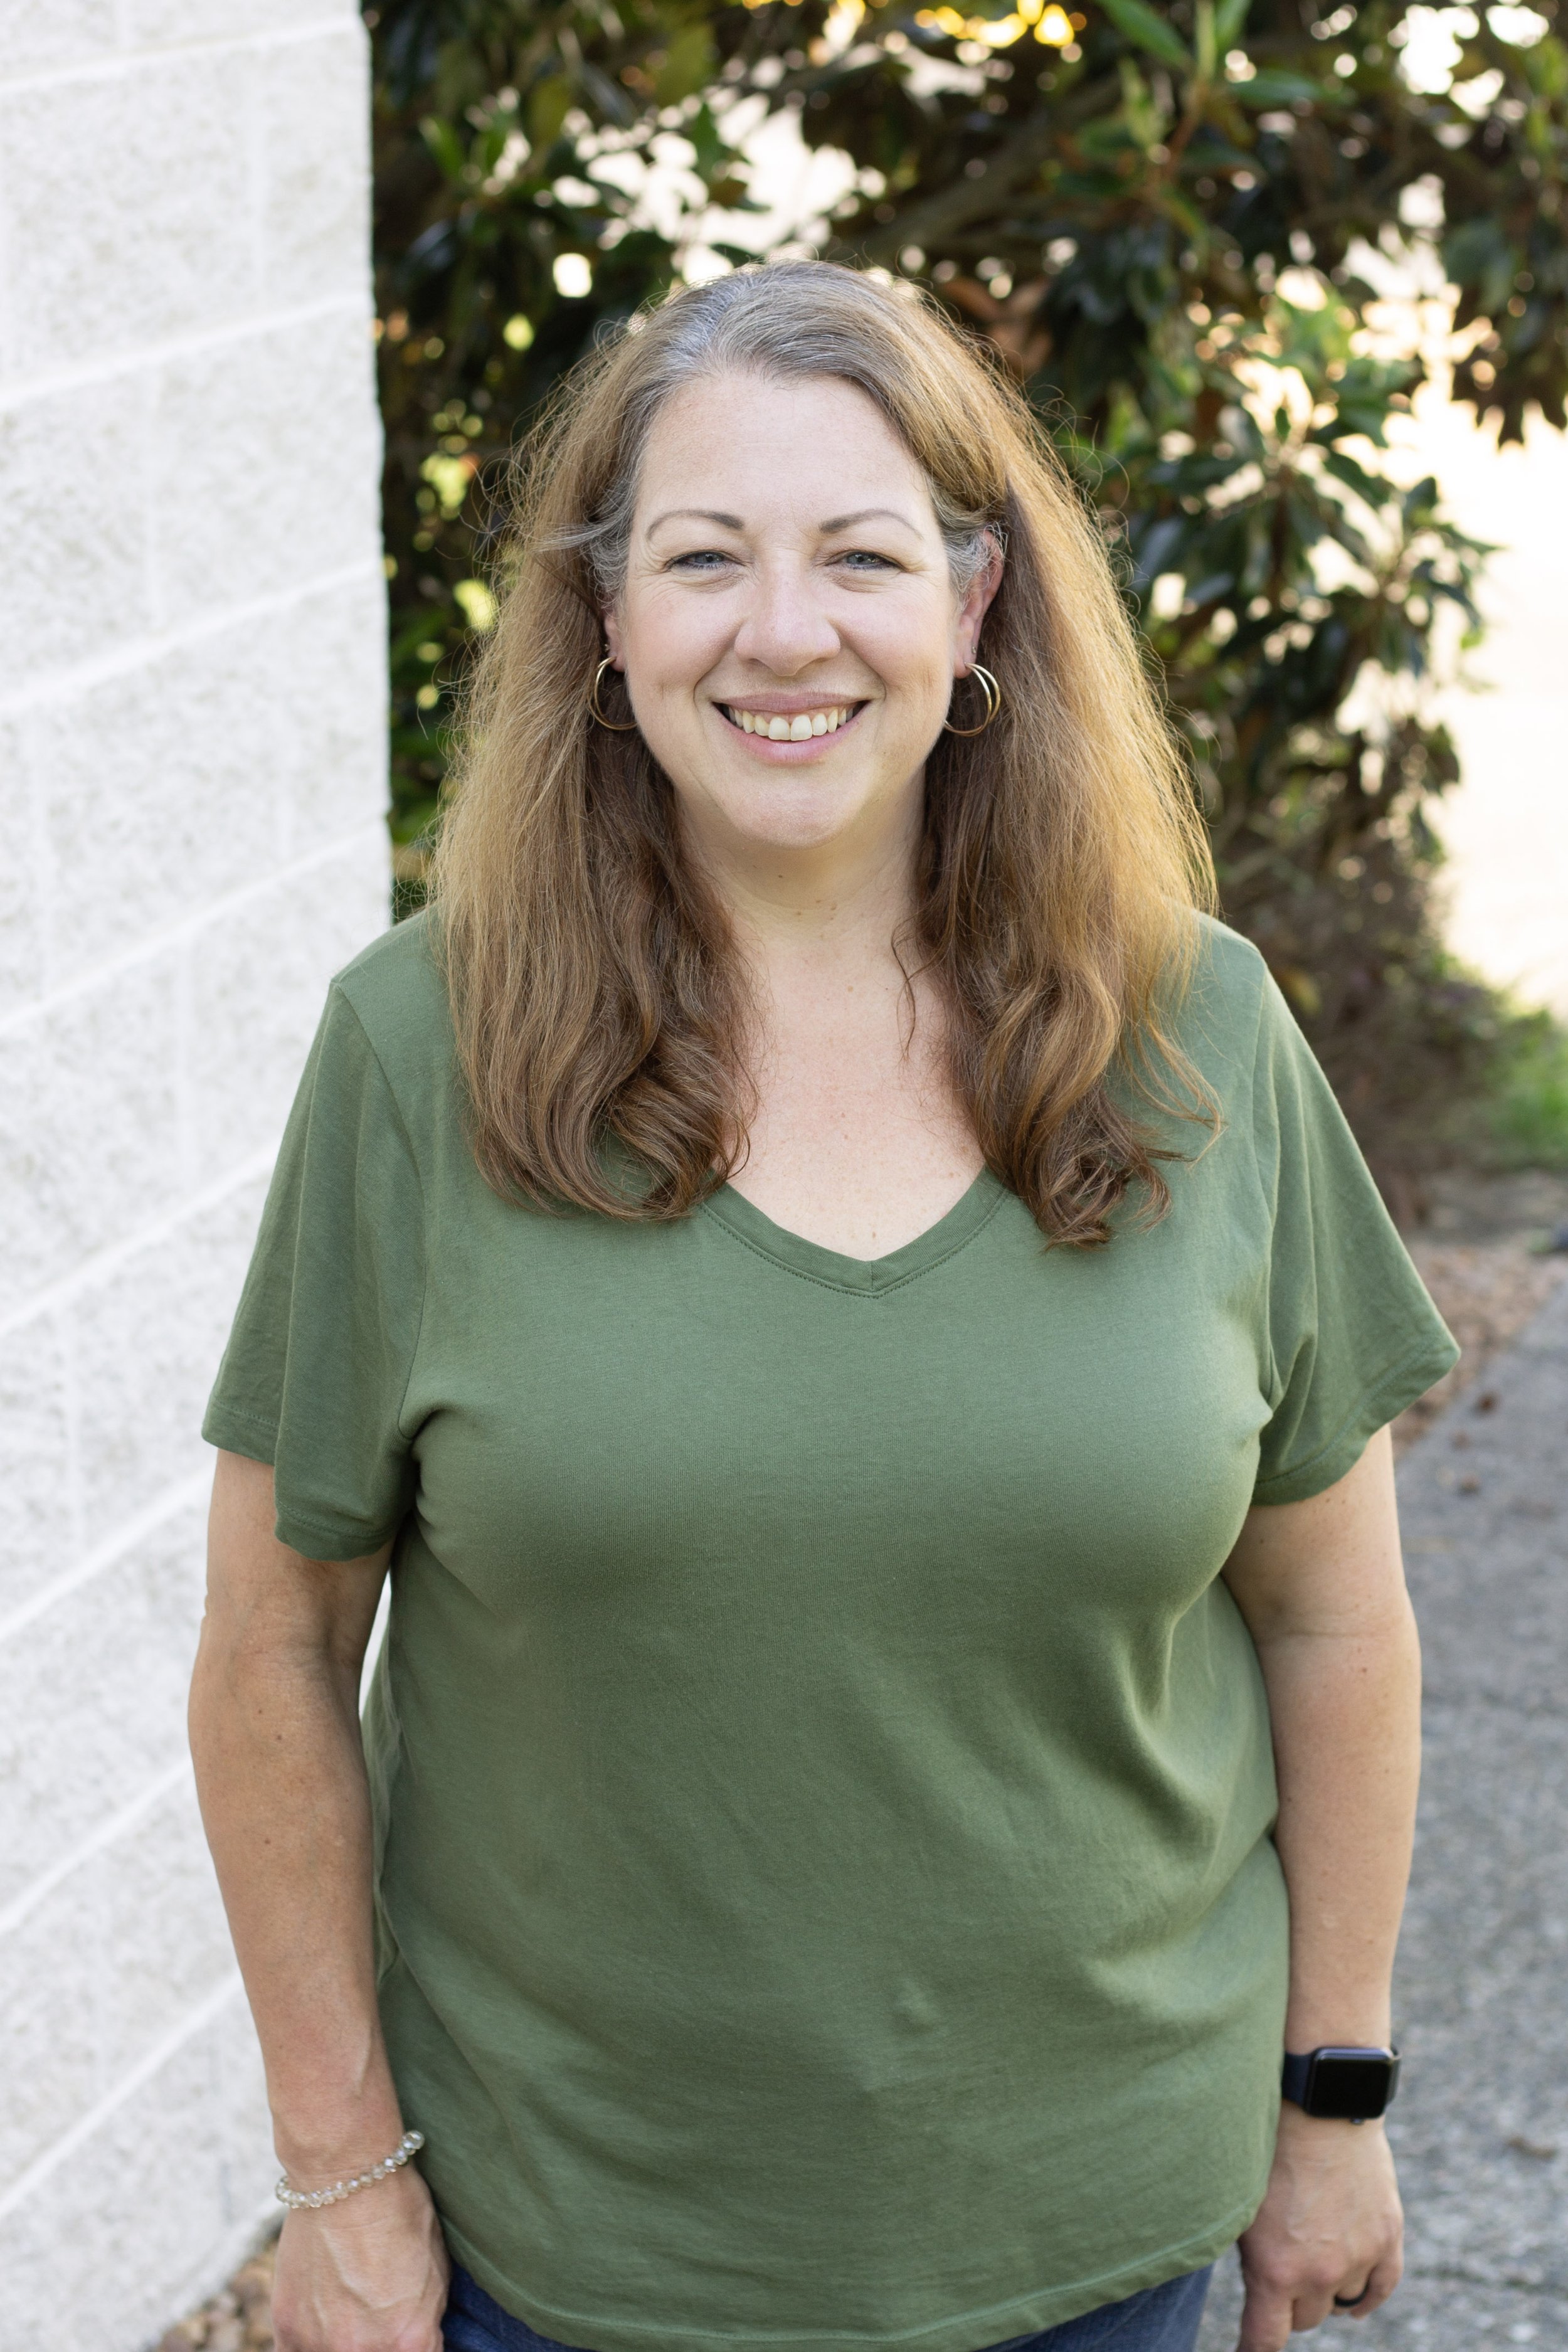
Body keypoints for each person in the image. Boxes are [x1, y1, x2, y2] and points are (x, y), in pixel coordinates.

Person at [190, 261, 1457, 2352]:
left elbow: (1333, 1617)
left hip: (1109, 2243)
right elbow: (269, 1654)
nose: (784, 633)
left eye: (859, 556)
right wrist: (338, 2175)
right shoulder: (420, 1053)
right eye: (704, 559)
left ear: (974, 612)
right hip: (579, 2269)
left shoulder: (1195, 1032)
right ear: (606, 620)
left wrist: (1334, 2096)